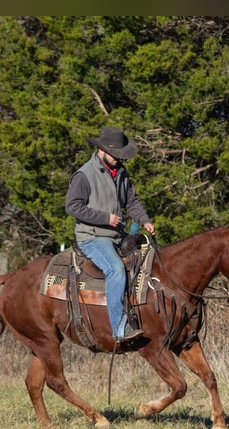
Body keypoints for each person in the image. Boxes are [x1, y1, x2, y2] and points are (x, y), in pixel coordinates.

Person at [65, 126, 156, 342]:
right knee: (116, 269)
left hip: (116, 235)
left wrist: (145, 220)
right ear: (102, 150)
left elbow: (132, 201)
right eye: (115, 154)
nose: (118, 158)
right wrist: (105, 218)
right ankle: (120, 329)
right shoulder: (85, 174)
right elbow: (72, 206)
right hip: (92, 237)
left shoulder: (121, 173)